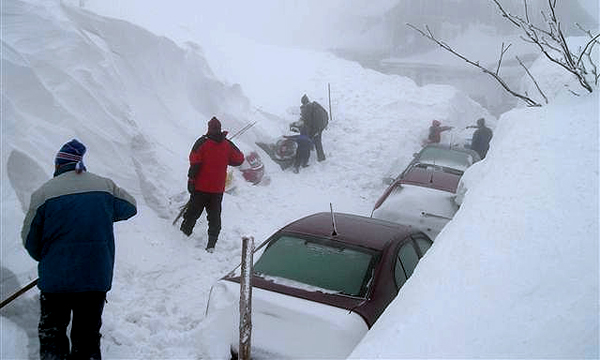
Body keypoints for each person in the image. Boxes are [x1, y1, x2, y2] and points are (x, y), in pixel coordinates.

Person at [21, 139, 137, 360]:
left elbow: (29, 239)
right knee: (87, 337)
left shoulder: (43, 194)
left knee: (52, 336)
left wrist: (46, 260)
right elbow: (130, 207)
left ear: (58, 165)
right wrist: (102, 213)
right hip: (94, 277)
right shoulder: (104, 186)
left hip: (55, 280)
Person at [180, 116, 244, 252]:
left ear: (209, 128)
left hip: (200, 188)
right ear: (219, 129)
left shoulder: (202, 142)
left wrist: (191, 180)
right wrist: (226, 158)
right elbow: (239, 159)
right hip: (217, 190)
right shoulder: (227, 144)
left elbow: (194, 163)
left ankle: (183, 236)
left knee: (192, 213)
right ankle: (211, 245)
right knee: (214, 217)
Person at [299, 94, 328, 162]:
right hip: (322, 125)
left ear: (303, 102)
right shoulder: (315, 105)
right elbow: (325, 112)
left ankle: (321, 157)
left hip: (316, 127)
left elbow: (308, 122)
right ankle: (313, 149)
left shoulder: (307, 108)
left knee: (316, 140)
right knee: (317, 138)